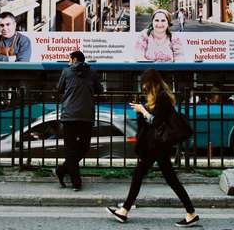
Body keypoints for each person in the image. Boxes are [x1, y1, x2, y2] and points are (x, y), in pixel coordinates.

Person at [106, 70, 198, 226]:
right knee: (168, 179)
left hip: (158, 145)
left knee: (141, 175)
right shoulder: (156, 97)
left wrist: (142, 110)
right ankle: (191, 213)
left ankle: (124, 211)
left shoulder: (162, 97)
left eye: (144, 82)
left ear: (151, 82)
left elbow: (156, 122)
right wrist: (141, 111)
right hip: (157, 145)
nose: (142, 85)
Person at [54, 50, 103, 191]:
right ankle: (67, 174)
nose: (69, 62)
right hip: (86, 116)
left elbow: (59, 89)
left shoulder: (66, 72)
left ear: (74, 59)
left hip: (69, 116)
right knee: (84, 147)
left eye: (70, 59)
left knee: (70, 149)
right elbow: (99, 90)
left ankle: (66, 173)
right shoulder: (92, 73)